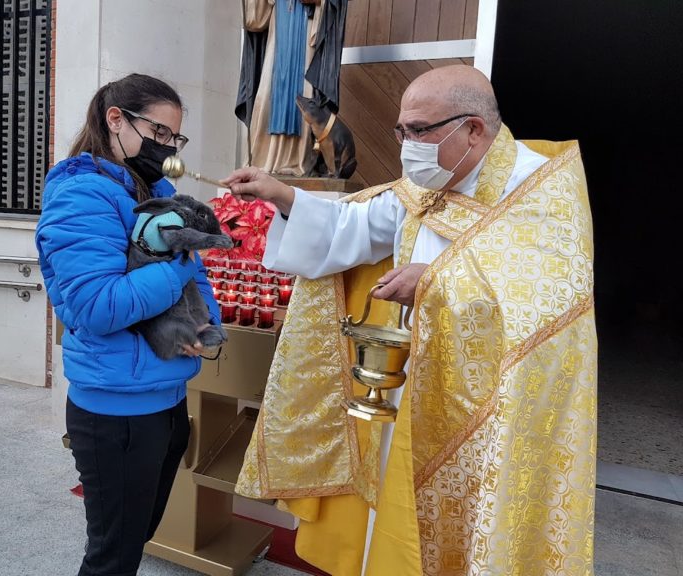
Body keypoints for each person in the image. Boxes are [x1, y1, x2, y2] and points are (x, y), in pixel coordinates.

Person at [224, 65, 597, 575]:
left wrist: (437, 279)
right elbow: (354, 225)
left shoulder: (541, 189)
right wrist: (282, 194)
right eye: (402, 130)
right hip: (406, 390)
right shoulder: (431, 181)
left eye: (420, 131)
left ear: (474, 130)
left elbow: (552, 297)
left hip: (482, 410)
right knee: (392, 521)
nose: (407, 146)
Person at [35, 74, 220, 576]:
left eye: (174, 140)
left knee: (136, 541)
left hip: (167, 402)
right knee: (112, 558)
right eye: (159, 133)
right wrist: (180, 265)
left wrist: (204, 328)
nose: (166, 148)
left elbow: (197, 276)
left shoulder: (156, 190)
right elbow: (97, 306)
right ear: (115, 119)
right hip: (116, 414)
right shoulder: (81, 196)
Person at [236, 0, 348, 176]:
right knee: (268, 93)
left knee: (305, 93)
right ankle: (263, 159)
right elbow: (255, 20)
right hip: (278, 27)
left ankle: (300, 161)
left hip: (307, 28)